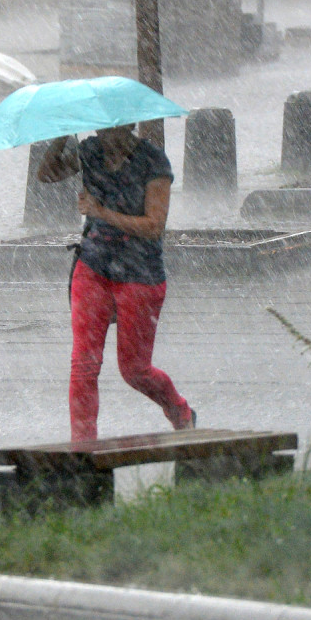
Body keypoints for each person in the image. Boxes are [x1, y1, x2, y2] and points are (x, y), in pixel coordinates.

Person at [37, 124, 196, 442]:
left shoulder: (153, 161)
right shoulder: (89, 151)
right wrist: (60, 134)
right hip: (93, 268)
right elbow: (47, 174)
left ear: (131, 126)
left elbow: (154, 225)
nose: (107, 135)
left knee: (135, 370)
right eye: (103, 128)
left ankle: (180, 411)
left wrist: (101, 212)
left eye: (116, 129)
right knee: (84, 363)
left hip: (140, 273)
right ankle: (83, 450)